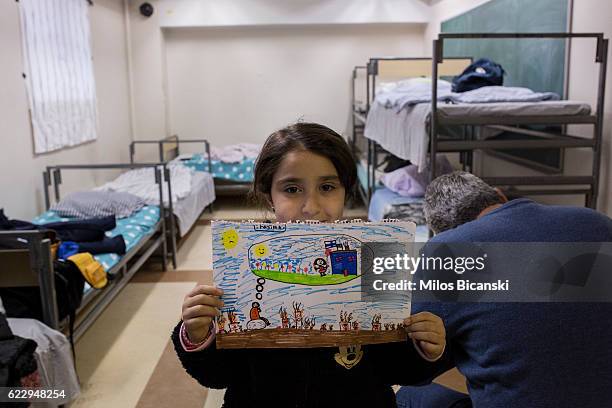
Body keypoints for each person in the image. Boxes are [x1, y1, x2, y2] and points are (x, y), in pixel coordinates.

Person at [172, 123, 447, 407]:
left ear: (345, 191)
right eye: (292, 189)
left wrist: (423, 347)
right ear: (269, 196)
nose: (311, 206)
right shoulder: (241, 264)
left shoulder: (377, 257)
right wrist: (197, 335)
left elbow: (395, 369)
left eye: (327, 187)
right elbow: (217, 376)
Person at [396, 171, 612, 408]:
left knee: (410, 396)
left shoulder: (447, 250)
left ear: (443, 231)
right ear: (500, 196)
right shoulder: (597, 221)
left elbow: (414, 366)